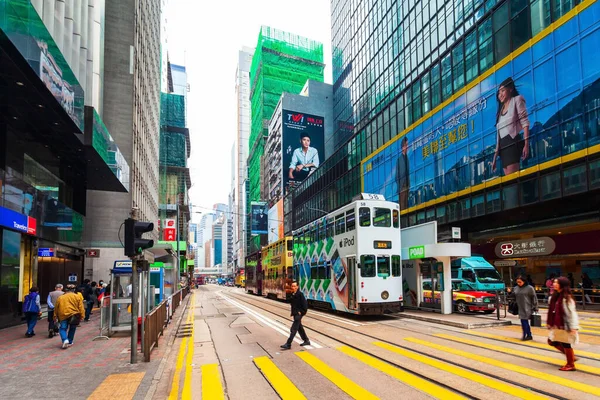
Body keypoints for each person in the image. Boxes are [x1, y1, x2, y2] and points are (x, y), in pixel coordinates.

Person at [491, 77, 530, 176]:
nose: (500, 95)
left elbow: (525, 122)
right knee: (509, 181)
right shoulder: (500, 111)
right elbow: (498, 136)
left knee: (512, 180)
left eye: (503, 91)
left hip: (513, 143)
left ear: (510, 89)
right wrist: (495, 158)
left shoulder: (517, 100)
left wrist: (526, 144)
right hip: (503, 148)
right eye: (499, 93)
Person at [547, 277, 579, 371]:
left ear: (562, 285)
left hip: (565, 325)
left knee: (566, 344)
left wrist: (573, 327)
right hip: (558, 325)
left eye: (557, 283)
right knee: (552, 341)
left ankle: (571, 364)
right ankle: (571, 358)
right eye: (554, 282)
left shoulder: (567, 298)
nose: (554, 284)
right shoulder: (555, 296)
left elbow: (572, 313)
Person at [54, 284, 85, 349]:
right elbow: (81, 307)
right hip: (74, 314)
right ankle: (70, 341)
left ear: (66, 290)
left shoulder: (61, 297)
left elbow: (56, 307)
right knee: (72, 328)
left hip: (63, 314)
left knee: (62, 328)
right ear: (74, 290)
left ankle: (65, 339)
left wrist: (55, 315)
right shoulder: (77, 296)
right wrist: (82, 315)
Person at [507, 275, 538, 341]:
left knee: (524, 321)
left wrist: (535, 306)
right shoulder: (516, 288)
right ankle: (529, 335)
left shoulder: (530, 288)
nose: (519, 283)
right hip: (520, 307)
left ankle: (525, 335)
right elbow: (513, 297)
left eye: (520, 282)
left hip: (528, 307)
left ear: (524, 281)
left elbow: (534, 298)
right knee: (524, 321)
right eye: (517, 282)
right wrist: (509, 293)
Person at [280, 281, 310, 349]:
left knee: (293, 329)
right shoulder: (293, 294)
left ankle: (288, 344)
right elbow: (289, 301)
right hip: (294, 313)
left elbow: (305, 305)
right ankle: (306, 340)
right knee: (300, 328)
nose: (292, 287)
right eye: (292, 286)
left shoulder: (300, 294)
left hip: (298, 314)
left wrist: (301, 312)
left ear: (297, 287)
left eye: (294, 286)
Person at [396, 137, 410, 210]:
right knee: (402, 207)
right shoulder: (399, 160)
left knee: (407, 206)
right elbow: (396, 176)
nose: (407, 147)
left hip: (407, 186)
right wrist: (400, 186)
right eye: (406, 145)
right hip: (402, 187)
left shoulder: (407, 158)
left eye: (407, 145)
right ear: (402, 147)